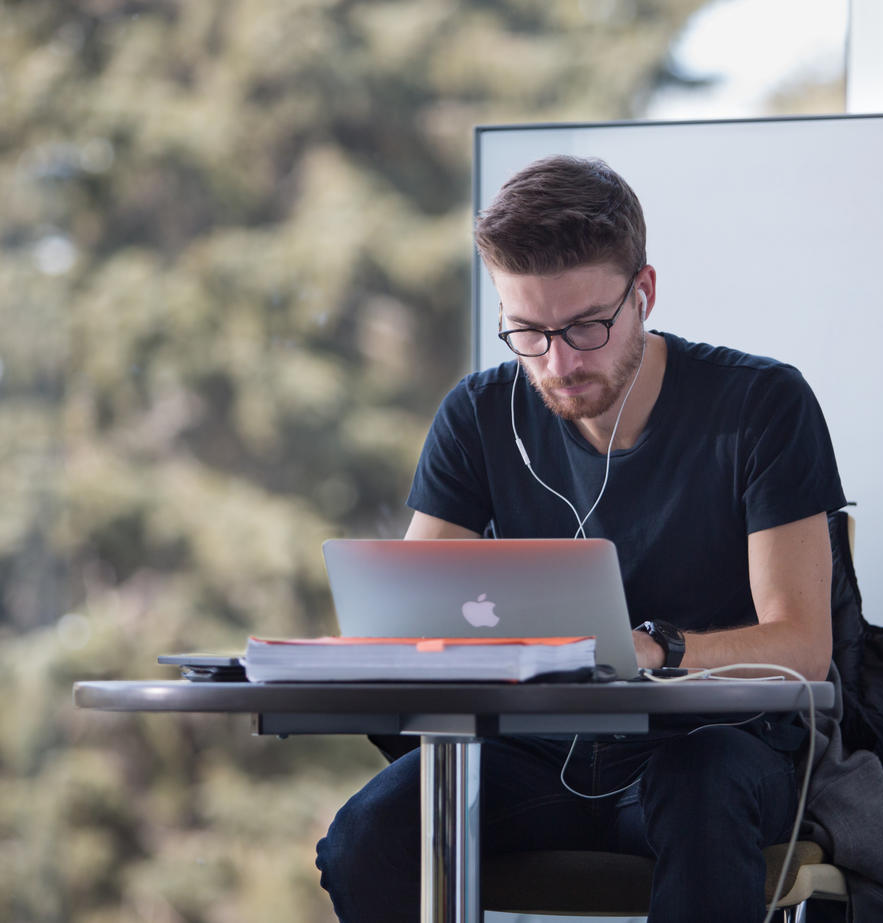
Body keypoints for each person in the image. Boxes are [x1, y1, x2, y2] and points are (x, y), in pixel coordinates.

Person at [315, 154, 847, 922]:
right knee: (367, 838)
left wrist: (655, 648)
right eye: (527, 332)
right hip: (537, 758)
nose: (559, 363)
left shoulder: (761, 405)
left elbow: (804, 646)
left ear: (645, 293)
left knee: (702, 783)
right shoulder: (478, 414)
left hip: (711, 749)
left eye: (586, 327)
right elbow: (403, 620)